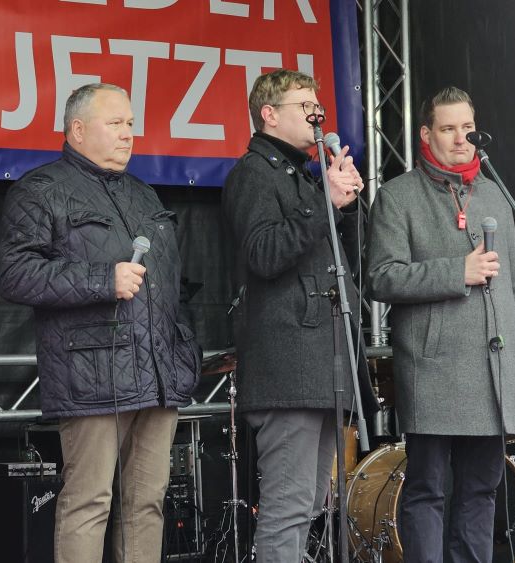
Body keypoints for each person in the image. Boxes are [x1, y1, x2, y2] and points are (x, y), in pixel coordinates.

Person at [0, 83, 201, 563]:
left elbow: (171, 286)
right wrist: (99, 280)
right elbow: (14, 275)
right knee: (90, 501)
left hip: (157, 374)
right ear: (78, 129)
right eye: (116, 124)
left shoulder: (144, 194)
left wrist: (182, 350)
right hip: (91, 375)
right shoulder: (41, 189)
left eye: (130, 124)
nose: (128, 134)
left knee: (146, 502)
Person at [367, 86, 515, 562]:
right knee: (428, 490)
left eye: (468, 128)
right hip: (433, 369)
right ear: (426, 133)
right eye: (449, 128)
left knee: (482, 491)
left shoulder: (495, 196)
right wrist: (455, 272)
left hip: (493, 368)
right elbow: (380, 277)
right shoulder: (397, 196)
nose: (462, 138)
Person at [221, 69, 370, 562]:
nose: (316, 112)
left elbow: (347, 264)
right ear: (269, 114)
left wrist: (344, 208)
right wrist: (321, 201)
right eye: (303, 103)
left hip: (320, 360)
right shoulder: (253, 173)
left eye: (317, 102)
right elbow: (263, 253)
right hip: (288, 366)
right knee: (288, 506)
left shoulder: (301, 177)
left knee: (310, 502)